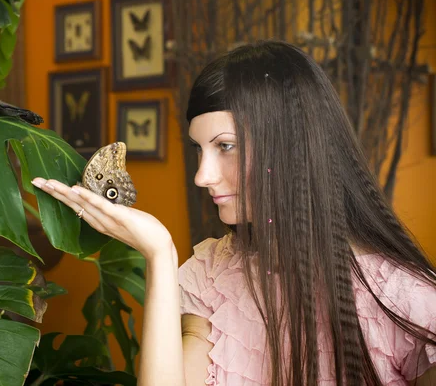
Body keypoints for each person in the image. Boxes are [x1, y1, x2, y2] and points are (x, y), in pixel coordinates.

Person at [31, 40, 436, 386]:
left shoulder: (408, 301)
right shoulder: (213, 273)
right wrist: (159, 254)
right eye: (199, 149)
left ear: (293, 146)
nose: (202, 176)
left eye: (225, 146)